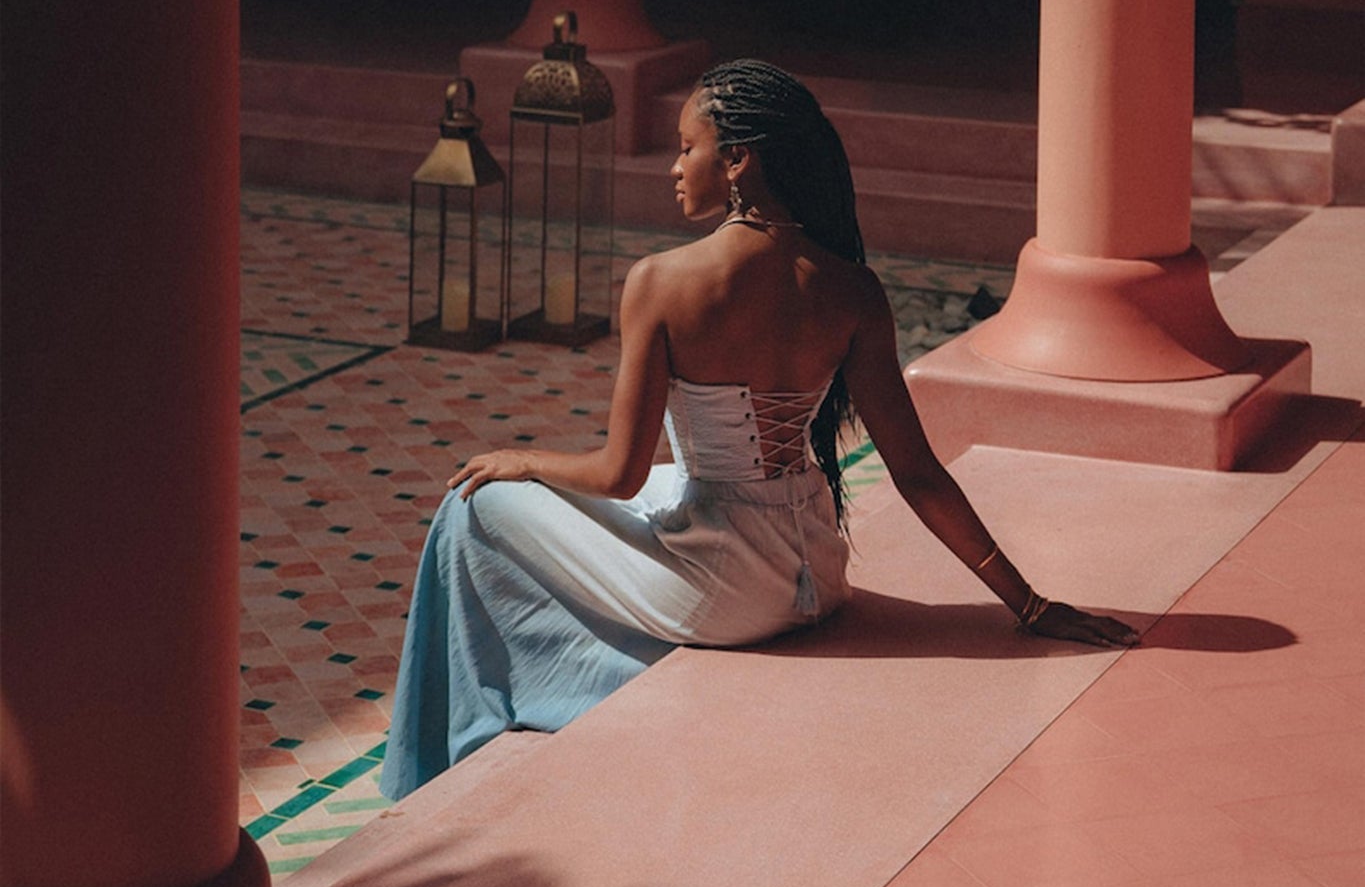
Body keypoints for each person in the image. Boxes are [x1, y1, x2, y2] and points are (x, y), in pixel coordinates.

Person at [379, 60, 1137, 799]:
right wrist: (1028, 605)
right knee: (679, 482)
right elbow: (916, 472)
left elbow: (619, 476)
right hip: (814, 575)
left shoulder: (661, 282)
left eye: (687, 147)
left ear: (736, 158)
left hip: (725, 599)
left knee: (473, 502)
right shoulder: (850, 287)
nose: (673, 167)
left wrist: (524, 459)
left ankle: (441, 753)